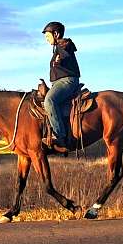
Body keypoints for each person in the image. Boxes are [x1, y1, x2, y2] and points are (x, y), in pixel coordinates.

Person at [41, 21, 81, 150]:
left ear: (56, 34)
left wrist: (59, 59)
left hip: (66, 81)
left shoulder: (64, 44)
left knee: (49, 100)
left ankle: (59, 135)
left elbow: (65, 49)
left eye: (48, 36)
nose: (46, 39)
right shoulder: (57, 48)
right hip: (59, 82)